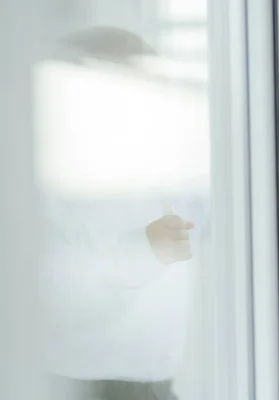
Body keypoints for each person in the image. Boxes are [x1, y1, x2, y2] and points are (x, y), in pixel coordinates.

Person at [39, 27, 206, 400]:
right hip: (83, 381)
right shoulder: (58, 186)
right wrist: (140, 251)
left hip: (162, 380)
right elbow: (60, 290)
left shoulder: (167, 174)